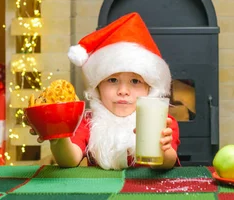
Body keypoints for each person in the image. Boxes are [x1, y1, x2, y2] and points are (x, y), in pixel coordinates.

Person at [31, 12, 180, 170]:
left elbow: (167, 164)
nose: (123, 91)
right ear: (97, 86)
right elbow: (69, 160)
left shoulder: (162, 121)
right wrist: (58, 138)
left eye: (135, 81)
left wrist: (162, 150)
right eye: (113, 80)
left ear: (149, 88)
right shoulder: (88, 122)